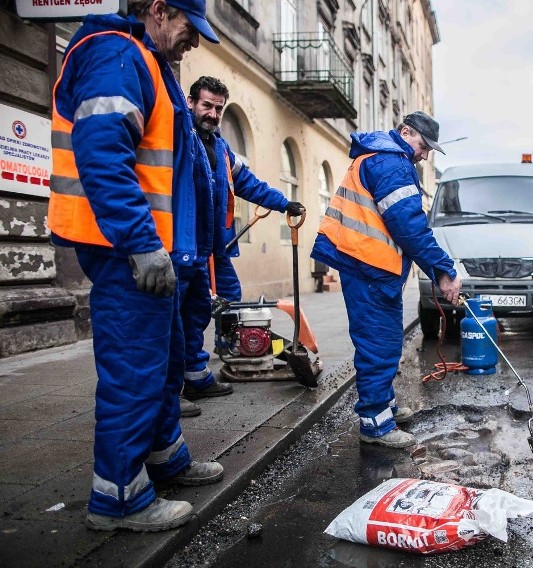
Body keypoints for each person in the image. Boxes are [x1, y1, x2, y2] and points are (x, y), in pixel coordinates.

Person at [48, 0, 225, 532]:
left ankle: (164, 455)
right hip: (127, 249)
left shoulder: (143, 60)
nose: (194, 42)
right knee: (134, 368)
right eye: (190, 29)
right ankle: (119, 498)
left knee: (165, 359)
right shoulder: (117, 54)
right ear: (158, 9)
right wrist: (141, 242)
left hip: (151, 248)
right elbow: (103, 153)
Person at [311, 111, 462, 448]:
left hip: (371, 266)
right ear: (405, 132)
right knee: (378, 342)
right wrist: (443, 271)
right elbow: (409, 226)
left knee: (388, 339)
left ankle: (385, 405)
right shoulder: (390, 163)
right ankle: (376, 424)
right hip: (368, 267)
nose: (424, 155)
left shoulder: (382, 158)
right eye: (423, 146)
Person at [178, 76, 304, 414]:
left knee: (209, 307)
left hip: (209, 247)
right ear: (191, 103)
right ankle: (170, 391)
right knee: (172, 317)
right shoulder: (181, 138)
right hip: (182, 244)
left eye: (219, 108)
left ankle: (196, 373)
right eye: (207, 105)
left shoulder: (220, 147)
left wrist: (283, 203)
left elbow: (248, 183)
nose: (213, 113)